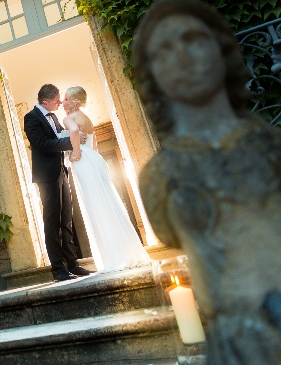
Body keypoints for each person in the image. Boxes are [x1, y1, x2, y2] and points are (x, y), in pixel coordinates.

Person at [134, 0, 281, 363]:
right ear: (151, 73)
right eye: (164, 51)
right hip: (236, 342)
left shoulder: (272, 146)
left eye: (194, 39)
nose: (182, 57)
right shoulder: (158, 178)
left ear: (221, 48)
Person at [62, 86, 152, 272]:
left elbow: (72, 132)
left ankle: (114, 258)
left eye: (66, 99)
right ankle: (128, 253)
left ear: (75, 102)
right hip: (95, 159)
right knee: (108, 204)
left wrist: (75, 154)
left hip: (84, 162)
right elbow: (94, 144)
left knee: (96, 207)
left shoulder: (69, 118)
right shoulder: (87, 118)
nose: (63, 103)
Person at [23, 84, 94, 281]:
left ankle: (72, 264)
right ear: (45, 102)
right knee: (52, 222)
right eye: (56, 101)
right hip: (46, 176)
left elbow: (63, 134)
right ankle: (58, 269)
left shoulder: (53, 117)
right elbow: (43, 145)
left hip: (61, 171)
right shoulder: (31, 118)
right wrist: (72, 142)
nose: (59, 103)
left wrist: (76, 135)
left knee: (66, 219)